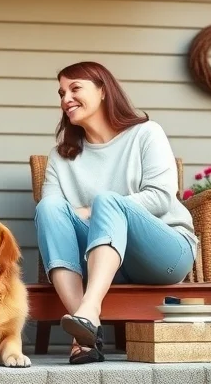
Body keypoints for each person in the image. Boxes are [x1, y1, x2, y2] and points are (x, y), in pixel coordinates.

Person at [33, 61, 196, 365]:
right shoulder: (61, 155)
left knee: (107, 201)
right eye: (61, 92)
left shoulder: (146, 133)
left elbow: (161, 198)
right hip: (105, 263)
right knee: (48, 208)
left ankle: (90, 308)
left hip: (165, 254)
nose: (65, 98)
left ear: (104, 91)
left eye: (75, 88)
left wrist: (99, 209)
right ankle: (86, 329)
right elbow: (57, 216)